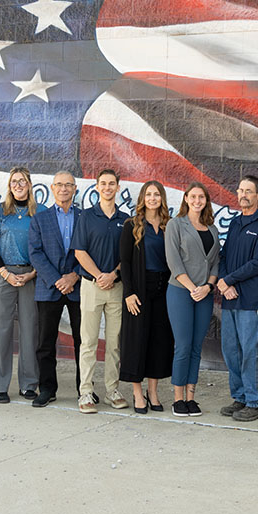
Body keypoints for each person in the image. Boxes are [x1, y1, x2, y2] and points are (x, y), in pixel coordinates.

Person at [215, 175, 258, 422]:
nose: (243, 195)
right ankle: (240, 397)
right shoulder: (236, 223)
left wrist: (229, 280)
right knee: (232, 351)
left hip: (251, 301)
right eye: (240, 190)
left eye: (249, 191)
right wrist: (222, 280)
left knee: (251, 352)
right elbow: (224, 256)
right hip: (230, 299)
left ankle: (256, 402)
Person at [73, 169, 130, 413]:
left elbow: (127, 255)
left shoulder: (126, 219)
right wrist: (99, 276)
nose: (107, 187)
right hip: (91, 286)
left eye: (112, 184)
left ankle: (111, 390)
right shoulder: (86, 216)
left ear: (118, 187)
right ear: (96, 187)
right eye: (103, 183)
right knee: (88, 341)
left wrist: (113, 275)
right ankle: (85, 392)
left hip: (116, 288)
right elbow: (79, 251)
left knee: (114, 342)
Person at [27, 171, 84, 408]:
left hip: (78, 286)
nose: (63, 189)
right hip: (49, 287)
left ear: (74, 189)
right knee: (45, 342)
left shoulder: (84, 217)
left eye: (68, 185)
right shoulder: (40, 219)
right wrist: (57, 279)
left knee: (84, 341)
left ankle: (85, 389)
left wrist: (74, 276)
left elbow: (92, 251)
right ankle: (47, 388)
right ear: (52, 188)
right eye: (59, 185)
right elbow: (35, 253)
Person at [118, 181, 175, 414]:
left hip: (164, 290)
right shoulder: (131, 225)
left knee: (158, 342)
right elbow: (126, 263)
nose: (153, 198)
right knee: (137, 341)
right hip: (139, 290)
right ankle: (137, 393)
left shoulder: (169, 226)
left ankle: (153, 392)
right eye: (148, 194)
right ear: (142, 198)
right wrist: (129, 293)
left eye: (157, 195)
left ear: (162, 198)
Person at [0, 167, 40, 404]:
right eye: (14, 182)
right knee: (0, 331)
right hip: (2, 274)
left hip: (31, 276)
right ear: (9, 186)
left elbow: (44, 248)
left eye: (23, 181)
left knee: (30, 330)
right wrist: (5, 273)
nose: (18, 185)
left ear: (29, 185)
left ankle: (28, 384)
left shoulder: (39, 212)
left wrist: (33, 273)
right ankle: (0, 385)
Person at [165, 182, 221, 417]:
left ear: (206, 201)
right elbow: (174, 261)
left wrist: (207, 287)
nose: (197, 201)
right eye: (193, 196)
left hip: (204, 294)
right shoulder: (175, 224)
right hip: (180, 291)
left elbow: (216, 262)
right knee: (183, 346)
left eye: (202, 197)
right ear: (186, 199)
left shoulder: (212, 229)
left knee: (197, 347)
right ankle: (178, 399)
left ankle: (191, 397)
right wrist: (193, 288)